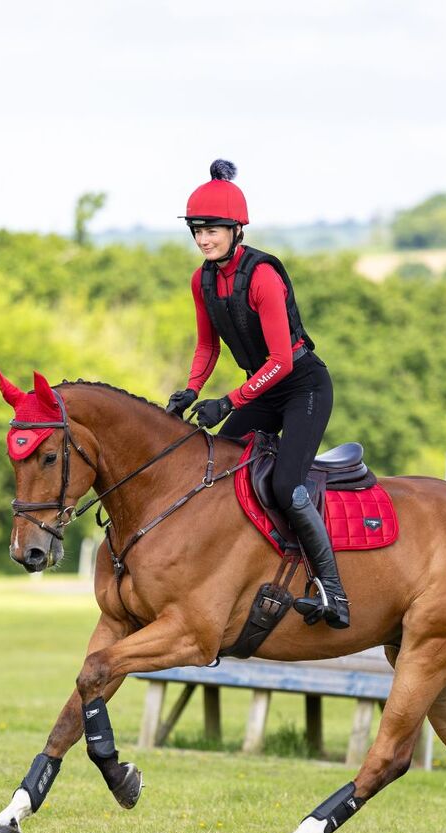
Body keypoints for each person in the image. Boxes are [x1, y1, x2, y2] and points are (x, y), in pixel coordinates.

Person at [167, 159, 349, 629]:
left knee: (286, 486)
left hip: (302, 386)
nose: (204, 239)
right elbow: (207, 345)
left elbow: (282, 361)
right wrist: (189, 392)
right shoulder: (202, 279)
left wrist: (227, 402)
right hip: (261, 389)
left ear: (236, 229)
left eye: (212, 230)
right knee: (220, 472)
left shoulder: (262, 276)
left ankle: (333, 591)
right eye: (197, 231)